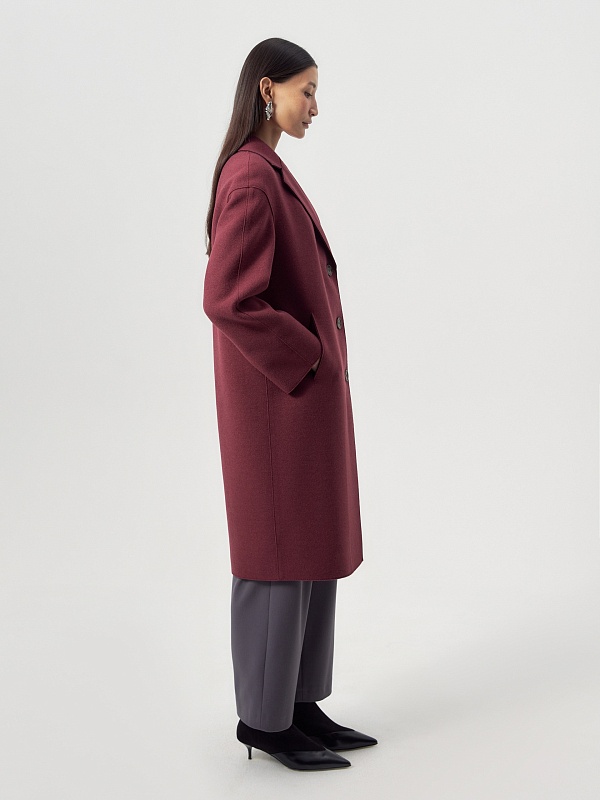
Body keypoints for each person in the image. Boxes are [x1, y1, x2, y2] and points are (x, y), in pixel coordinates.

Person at [202, 37, 377, 771]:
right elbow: (227, 298)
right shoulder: (250, 175)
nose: (315, 106)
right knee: (275, 560)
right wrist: (308, 356)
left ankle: (300, 707)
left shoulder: (268, 170)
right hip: (278, 407)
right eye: (307, 90)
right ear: (267, 89)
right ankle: (265, 723)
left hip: (298, 407)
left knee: (309, 552)